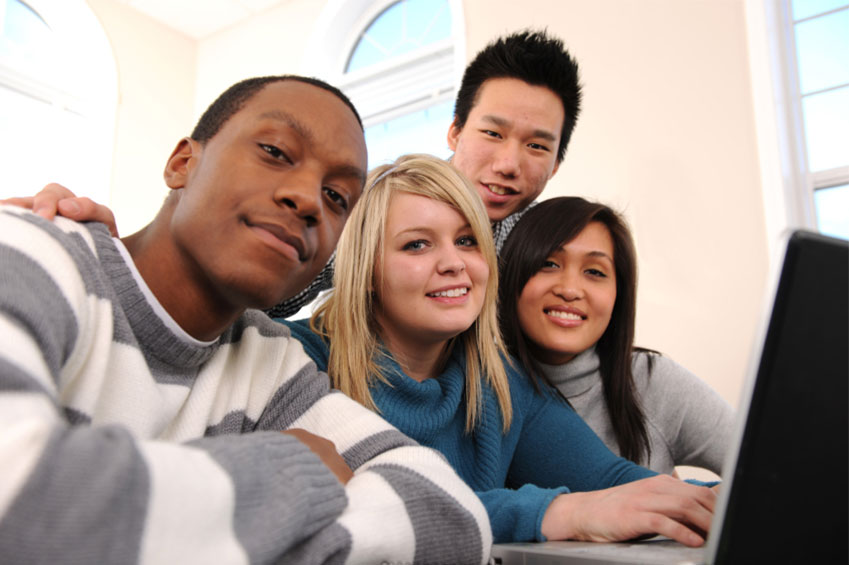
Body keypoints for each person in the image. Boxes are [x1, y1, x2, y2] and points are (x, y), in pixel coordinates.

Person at [0, 76, 493, 564]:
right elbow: (19, 503)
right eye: (276, 152)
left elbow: (452, 514)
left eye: (337, 197)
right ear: (182, 164)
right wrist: (295, 471)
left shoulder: (269, 359)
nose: (307, 200)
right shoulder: (30, 251)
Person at [283, 153, 717, 546]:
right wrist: (560, 512)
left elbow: (613, 480)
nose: (454, 263)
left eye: (468, 241)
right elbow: (377, 507)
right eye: (417, 244)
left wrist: (728, 501)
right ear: (367, 269)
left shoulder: (501, 383)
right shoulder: (298, 360)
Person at [12, 29, 581, 319]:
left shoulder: (550, 250)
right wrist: (121, 266)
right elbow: (264, 287)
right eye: (492, 133)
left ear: (556, 163)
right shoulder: (374, 208)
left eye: (537, 145)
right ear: (455, 131)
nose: (509, 163)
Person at [498, 197, 734, 475]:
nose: (570, 290)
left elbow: (772, 468)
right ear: (511, 274)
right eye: (549, 264)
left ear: (617, 295)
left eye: (594, 272)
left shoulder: (651, 381)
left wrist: (696, 506)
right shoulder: (476, 388)